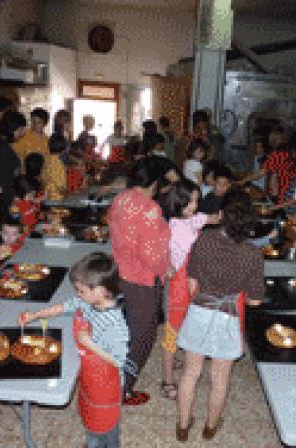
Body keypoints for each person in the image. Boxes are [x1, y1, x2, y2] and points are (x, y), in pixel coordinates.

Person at [176, 190, 264, 442]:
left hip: (199, 311)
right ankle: (210, 427)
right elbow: (255, 300)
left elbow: (192, 283)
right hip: (227, 317)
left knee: (191, 373)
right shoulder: (252, 254)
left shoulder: (205, 239)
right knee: (220, 378)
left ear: (222, 215)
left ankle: (183, 426)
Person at [19, 253, 129, 448]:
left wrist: (88, 343)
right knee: (92, 421)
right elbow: (65, 306)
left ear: (101, 290)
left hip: (106, 386)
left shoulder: (115, 324)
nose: (78, 295)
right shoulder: (89, 302)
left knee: (104, 429)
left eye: (81, 290)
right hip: (91, 379)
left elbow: (118, 360)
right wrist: (35, 315)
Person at [108, 156, 170, 405]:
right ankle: (124, 389)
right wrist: (165, 269)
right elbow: (152, 254)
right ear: (154, 182)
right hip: (142, 279)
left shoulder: (121, 198)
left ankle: (116, 379)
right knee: (143, 336)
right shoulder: (149, 208)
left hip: (120, 272)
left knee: (128, 332)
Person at [159, 179, 220, 400]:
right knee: (171, 334)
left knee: (187, 324)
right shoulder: (173, 227)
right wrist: (168, 267)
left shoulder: (193, 219)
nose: (194, 205)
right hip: (178, 286)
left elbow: (210, 218)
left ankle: (175, 359)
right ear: (178, 202)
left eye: (196, 200)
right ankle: (167, 380)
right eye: (190, 201)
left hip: (193, 283)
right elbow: (166, 257)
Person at [0, 111, 26, 212]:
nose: (22, 133)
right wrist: (15, 199)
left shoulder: (2, 144)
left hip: (8, 196)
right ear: (12, 129)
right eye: (21, 129)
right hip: (5, 200)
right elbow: (5, 179)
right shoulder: (1, 148)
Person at [43, 134, 68, 200]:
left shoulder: (47, 159)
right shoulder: (58, 164)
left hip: (47, 197)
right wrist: (69, 196)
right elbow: (60, 188)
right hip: (57, 201)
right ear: (63, 149)